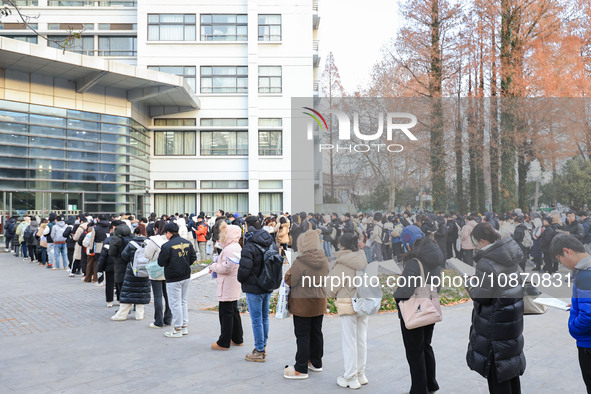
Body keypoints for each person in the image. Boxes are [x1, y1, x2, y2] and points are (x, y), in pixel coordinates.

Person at [465, 222, 525, 394]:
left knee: (498, 374)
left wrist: (470, 285)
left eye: (476, 243)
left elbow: (482, 297)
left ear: (482, 241)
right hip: (510, 322)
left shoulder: (487, 263)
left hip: (494, 326)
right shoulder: (509, 254)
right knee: (510, 370)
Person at [394, 235, 443, 394]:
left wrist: (397, 293)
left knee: (415, 352)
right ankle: (431, 384)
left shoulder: (415, 263)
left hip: (414, 311)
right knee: (426, 347)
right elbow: (437, 286)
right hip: (429, 309)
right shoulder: (435, 262)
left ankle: (419, 389)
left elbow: (405, 291)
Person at [282, 229, 329, 380]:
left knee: (302, 335)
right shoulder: (324, 260)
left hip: (303, 304)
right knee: (316, 332)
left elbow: (289, 280)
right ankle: (316, 362)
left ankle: (300, 368)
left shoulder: (300, 262)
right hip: (319, 301)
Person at [550, 234, 591, 392]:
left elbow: (588, 316)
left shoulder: (585, 274)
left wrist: (573, 327)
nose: (563, 264)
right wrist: (577, 303)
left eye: (559, 259)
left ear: (566, 251)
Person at [328, 233, 369, 389]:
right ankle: (361, 374)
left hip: (348, 304)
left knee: (349, 341)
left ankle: (350, 377)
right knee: (361, 339)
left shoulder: (342, 263)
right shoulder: (362, 258)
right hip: (364, 302)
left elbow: (331, 288)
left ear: (342, 245)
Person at [237, 215, 275, 362]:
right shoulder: (271, 242)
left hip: (254, 287)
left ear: (248, 226)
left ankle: (259, 351)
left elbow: (244, 270)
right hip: (268, 284)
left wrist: (241, 279)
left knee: (256, 319)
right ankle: (262, 346)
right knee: (264, 318)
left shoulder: (250, 246)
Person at [158, 222, 196, 338]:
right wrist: (184, 264)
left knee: (175, 303)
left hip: (173, 278)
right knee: (183, 301)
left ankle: (177, 328)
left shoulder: (167, 246)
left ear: (168, 233)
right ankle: (184, 326)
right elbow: (193, 258)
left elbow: (161, 262)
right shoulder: (187, 243)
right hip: (186, 276)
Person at [209, 224, 244, 350]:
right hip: (232, 283)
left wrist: (213, 266)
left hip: (228, 284)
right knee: (233, 311)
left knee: (226, 313)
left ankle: (224, 342)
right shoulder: (234, 246)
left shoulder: (230, 249)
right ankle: (237, 338)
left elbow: (226, 268)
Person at [111, 227, 150, 321]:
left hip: (132, 271)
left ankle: (122, 315)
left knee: (128, 292)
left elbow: (124, 256)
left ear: (134, 234)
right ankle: (139, 315)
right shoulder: (148, 243)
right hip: (144, 271)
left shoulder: (131, 244)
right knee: (141, 292)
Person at [143, 222, 172, 328]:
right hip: (168, 269)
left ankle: (158, 321)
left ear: (156, 228)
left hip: (156, 270)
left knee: (158, 296)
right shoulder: (170, 239)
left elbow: (147, 255)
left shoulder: (154, 240)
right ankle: (168, 319)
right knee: (168, 295)